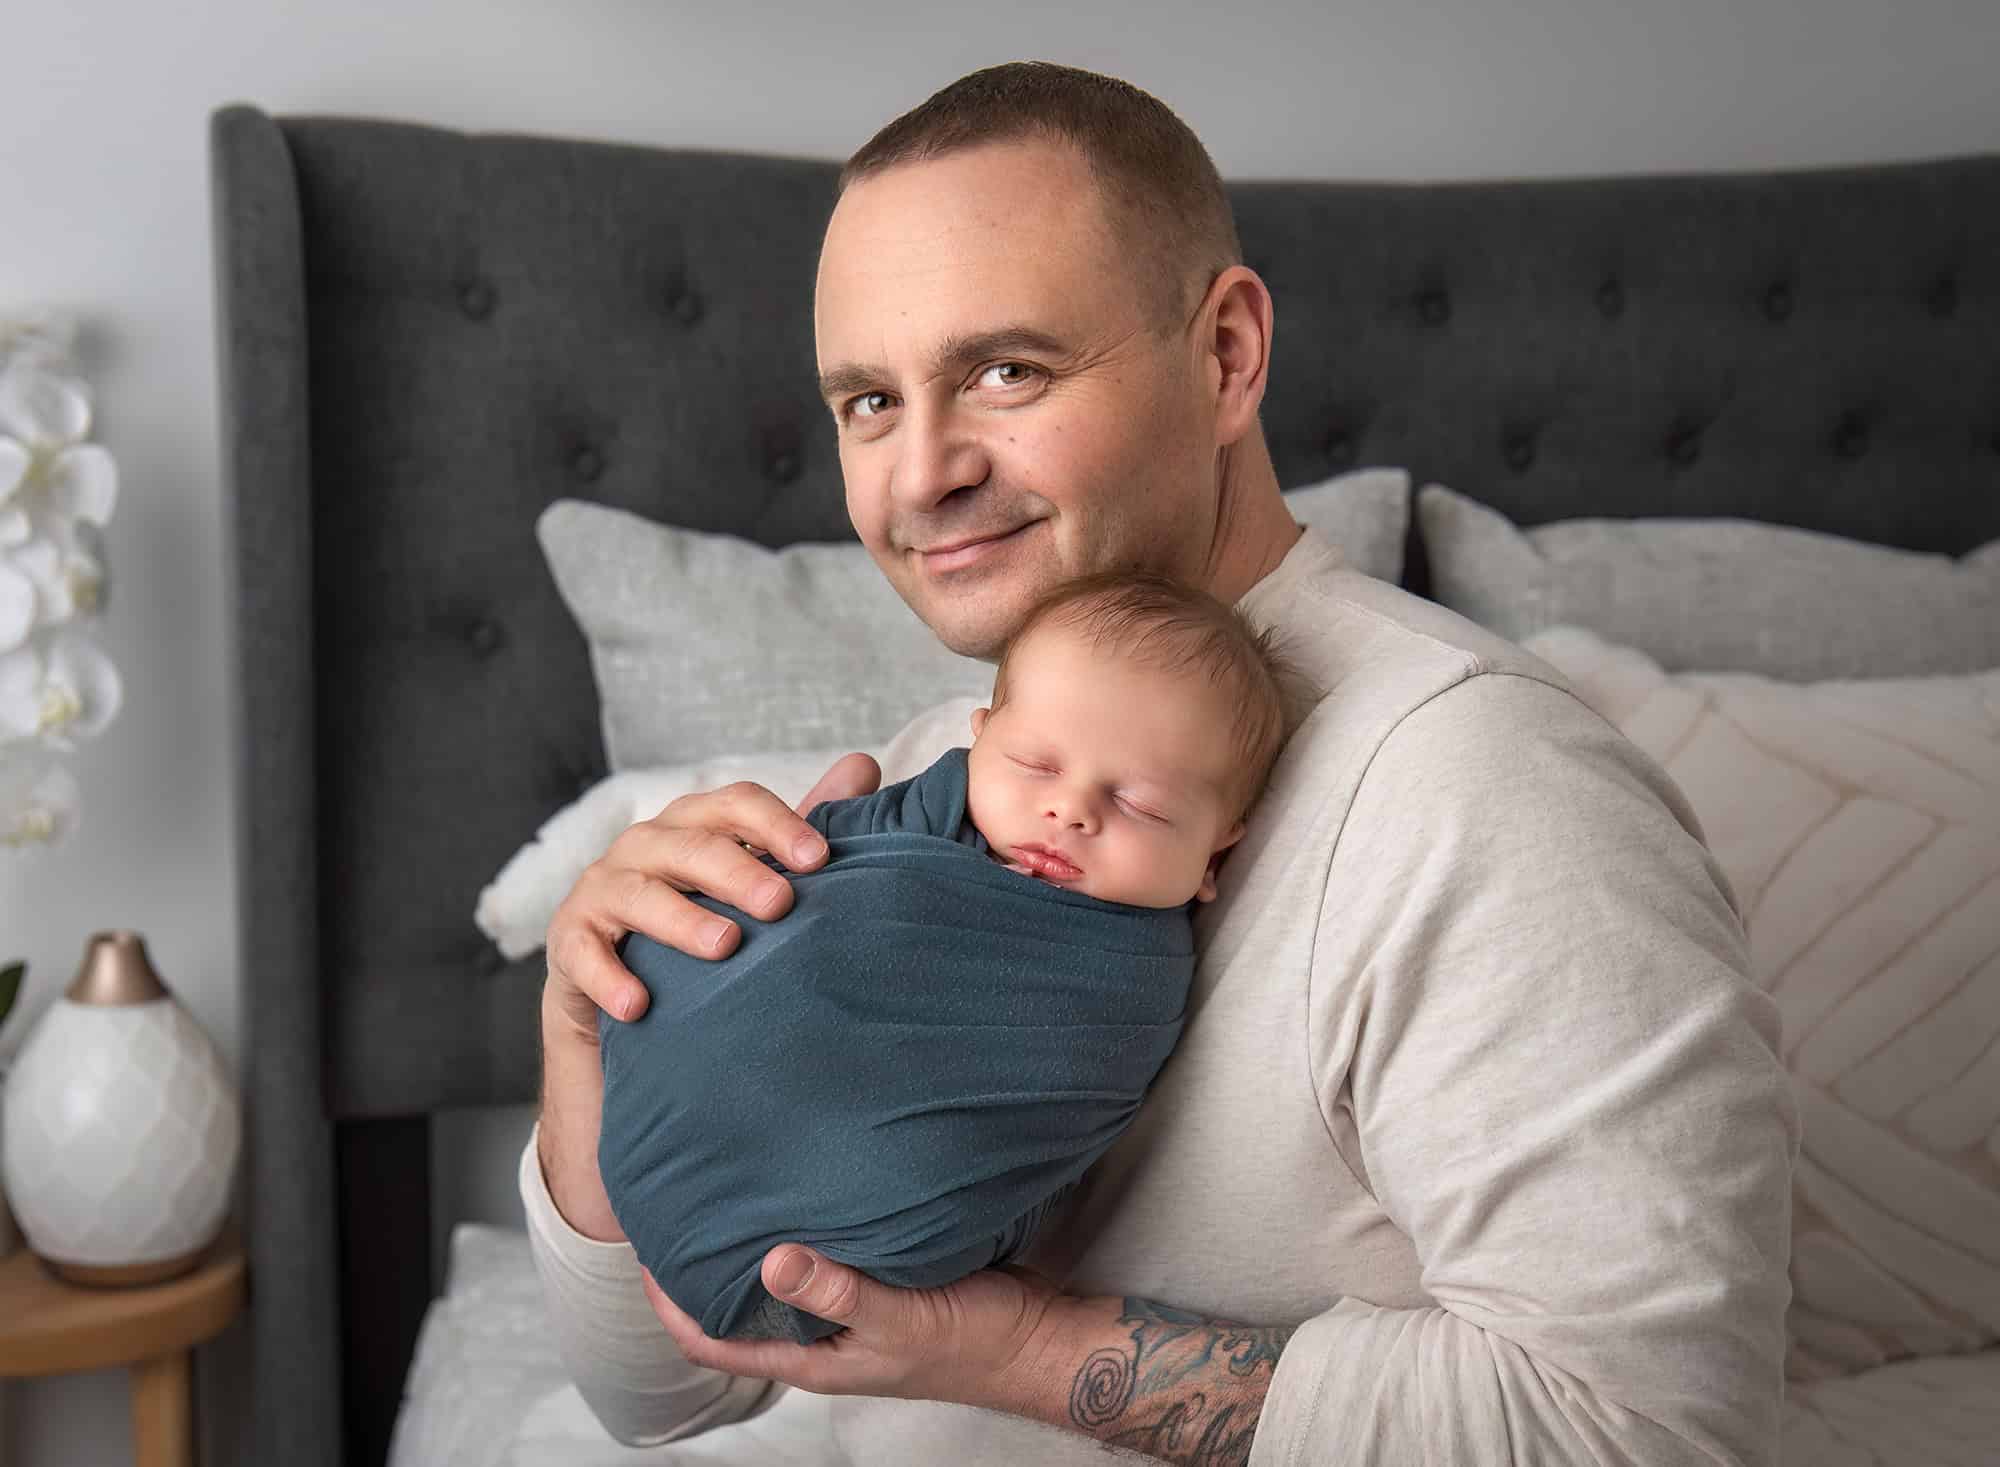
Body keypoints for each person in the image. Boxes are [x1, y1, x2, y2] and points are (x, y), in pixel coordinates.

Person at [523, 61, 1799, 1466]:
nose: (921, 470)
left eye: (1005, 370)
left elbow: (1652, 1428)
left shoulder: (1487, 791)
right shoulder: (930, 788)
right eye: (869, 401)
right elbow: (666, 1394)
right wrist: (588, 1043)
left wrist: (1009, 1348)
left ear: (1227, 355)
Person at [598, 571, 1299, 1349]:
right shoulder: (923, 808)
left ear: (1216, 850)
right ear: (979, 739)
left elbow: (1052, 1129)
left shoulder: (1135, 982)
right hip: (666, 1097)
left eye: (1140, 805)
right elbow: (804, 863)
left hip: (834, 1266)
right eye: (1035, 763)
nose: (1070, 810)